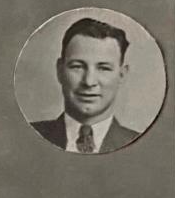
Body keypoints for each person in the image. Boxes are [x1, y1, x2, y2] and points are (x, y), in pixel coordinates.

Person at [30, 17, 141, 154]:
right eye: (77, 67)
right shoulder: (27, 135)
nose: (89, 82)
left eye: (104, 68)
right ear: (60, 70)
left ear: (121, 75)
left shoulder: (142, 144)